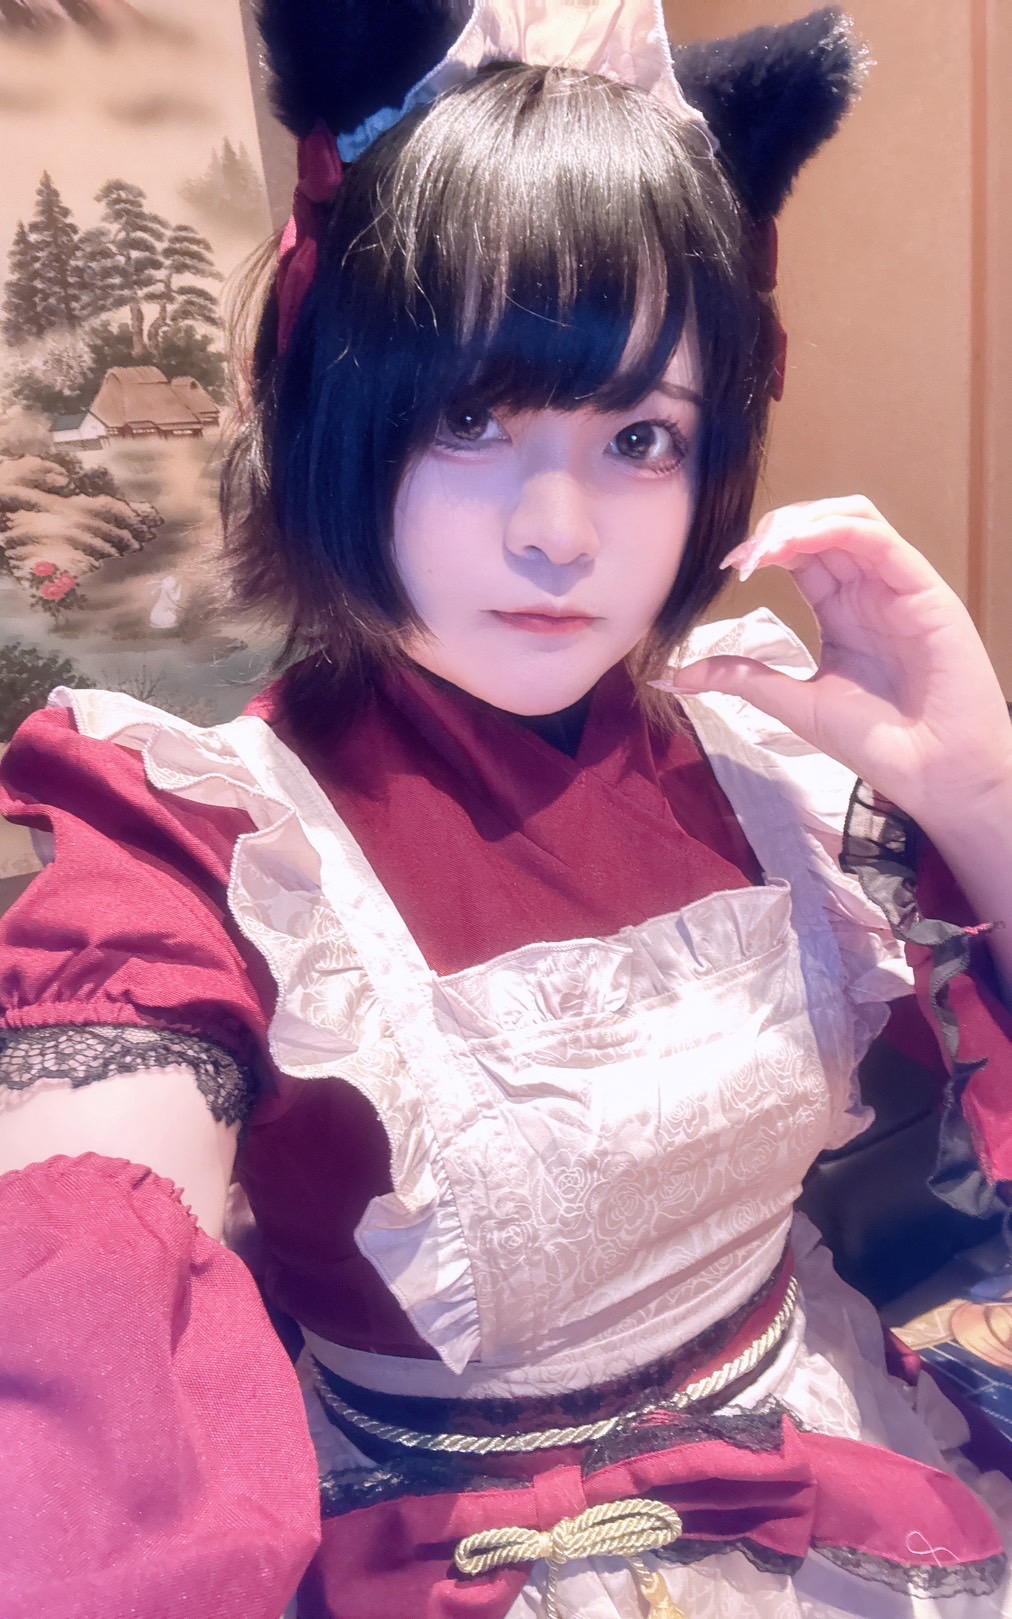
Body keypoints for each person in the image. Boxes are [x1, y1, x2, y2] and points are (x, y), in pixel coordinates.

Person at [2, 3, 1012, 1615]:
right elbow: (75, 1323)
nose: (560, 531)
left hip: (835, 1457)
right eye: (469, 417)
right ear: (332, 408)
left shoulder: (767, 754)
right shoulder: (200, 836)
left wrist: (979, 790)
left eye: (640, 436)